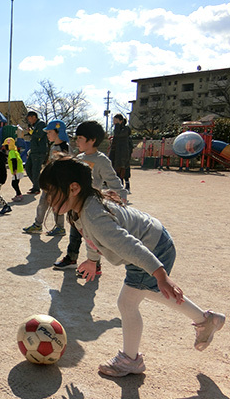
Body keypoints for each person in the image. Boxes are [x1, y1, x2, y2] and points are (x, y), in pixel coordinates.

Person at [38, 157, 225, 377]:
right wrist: (92, 260)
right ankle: (206, 320)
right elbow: (91, 238)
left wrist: (160, 273)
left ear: (74, 188)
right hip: (152, 241)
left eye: (51, 192)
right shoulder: (80, 208)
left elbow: (130, 245)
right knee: (145, 294)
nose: (48, 199)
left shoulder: (94, 216)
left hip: (152, 248)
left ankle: (131, 360)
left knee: (127, 303)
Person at [53, 121, 129, 277]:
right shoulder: (78, 158)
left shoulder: (101, 160)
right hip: (76, 204)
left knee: (93, 237)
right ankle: (71, 258)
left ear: (92, 140)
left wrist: (121, 197)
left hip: (92, 206)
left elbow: (113, 180)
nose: (77, 141)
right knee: (74, 234)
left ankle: (95, 265)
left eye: (80, 138)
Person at [23, 120, 70, 236]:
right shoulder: (54, 146)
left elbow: (64, 167)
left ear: (58, 132)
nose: (47, 134)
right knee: (43, 203)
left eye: (49, 132)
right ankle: (38, 225)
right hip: (50, 181)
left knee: (57, 204)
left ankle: (60, 227)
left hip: (57, 182)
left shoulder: (64, 148)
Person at [24, 111, 48, 195]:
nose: (29, 121)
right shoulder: (35, 126)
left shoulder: (41, 124)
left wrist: (31, 132)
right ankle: (36, 185)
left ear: (34, 117)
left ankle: (36, 188)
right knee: (28, 167)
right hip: (33, 151)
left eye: (29, 118)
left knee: (35, 170)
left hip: (39, 151)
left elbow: (40, 135)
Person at [109, 114, 132, 193]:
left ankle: (126, 187)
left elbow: (118, 134)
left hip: (123, 153)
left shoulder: (126, 129)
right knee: (116, 170)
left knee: (123, 170)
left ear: (121, 121)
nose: (114, 122)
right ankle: (118, 188)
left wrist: (117, 125)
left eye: (116, 121)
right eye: (114, 121)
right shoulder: (117, 129)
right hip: (115, 153)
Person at [3, 137, 24, 202]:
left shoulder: (11, 152)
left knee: (14, 184)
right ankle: (18, 194)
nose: (4, 147)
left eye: (5, 145)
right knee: (16, 183)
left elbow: (14, 160)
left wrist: (14, 169)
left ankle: (19, 195)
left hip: (17, 170)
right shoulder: (14, 151)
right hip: (19, 169)